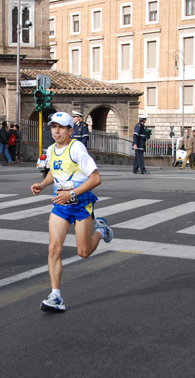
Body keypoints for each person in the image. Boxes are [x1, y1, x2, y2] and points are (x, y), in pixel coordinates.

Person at [30, 112, 114, 312]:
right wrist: (42, 185)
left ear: (70, 130)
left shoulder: (77, 148)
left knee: (83, 252)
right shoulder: (51, 150)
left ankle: (100, 230)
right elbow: (54, 170)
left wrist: (72, 193)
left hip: (81, 204)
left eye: (61, 127)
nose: (56, 131)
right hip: (61, 205)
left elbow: (95, 179)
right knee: (53, 248)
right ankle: (55, 296)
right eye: (53, 127)